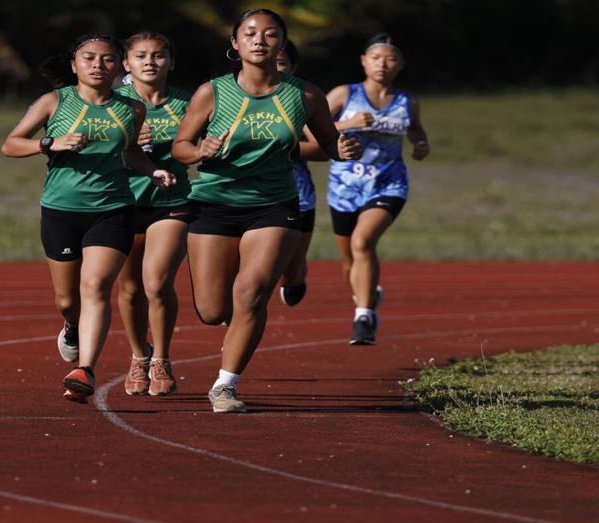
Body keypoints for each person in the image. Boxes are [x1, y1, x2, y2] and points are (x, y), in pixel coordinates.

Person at [170, 9, 359, 414]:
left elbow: (328, 145)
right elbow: (180, 147)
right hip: (214, 204)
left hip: (274, 205)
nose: (260, 40)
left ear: (282, 44)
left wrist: (341, 150)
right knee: (211, 310)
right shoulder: (213, 92)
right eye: (250, 33)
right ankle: (231, 331)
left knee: (251, 293)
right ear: (235, 44)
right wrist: (198, 150)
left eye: (270, 34)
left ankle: (225, 385)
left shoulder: (305, 95)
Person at [1, 33, 176, 403]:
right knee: (68, 301)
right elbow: (10, 144)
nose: (98, 65)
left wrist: (151, 171)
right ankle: (70, 326)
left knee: (96, 286)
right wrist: (49, 143)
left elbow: (130, 151)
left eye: (108, 59)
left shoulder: (131, 109)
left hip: (113, 209)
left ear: (118, 67)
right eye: (89, 58)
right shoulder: (54, 102)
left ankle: (85, 369)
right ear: (74, 65)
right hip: (61, 210)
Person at [325, 33, 430, 345]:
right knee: (349, 261)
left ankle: (364, 317)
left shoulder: (406, 101)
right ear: (363, 61)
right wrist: (348, 123)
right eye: (375, 57)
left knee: (362, 242)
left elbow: (415, 128)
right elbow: (304, 126)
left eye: (390, 58)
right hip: (344, 185)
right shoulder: (345, 94)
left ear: (401, 63)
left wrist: (420, 143)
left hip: (388, 183)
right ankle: (368, 293)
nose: (382, 64)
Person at [112, 30, 194, 396]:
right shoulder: (112, 102)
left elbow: (204, 147)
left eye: (158, 55)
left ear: (171, 62)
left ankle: (161, 357)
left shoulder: (189, 103)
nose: (150, 62)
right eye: (141, 56)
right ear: (126, 64)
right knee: (130, 290)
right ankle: (138, 356)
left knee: (157, 283)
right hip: (121, 202)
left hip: (172, 202)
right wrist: (125, 142)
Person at [272, 39, 319, 309]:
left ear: (293, 67)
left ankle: (296, 274)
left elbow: (321, 149)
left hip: (297, 194)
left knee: (289, 274)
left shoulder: (302, 98)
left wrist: (280, 147)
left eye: (280, 64)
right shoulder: (231, 95)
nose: (272, 69)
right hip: (248, 194)